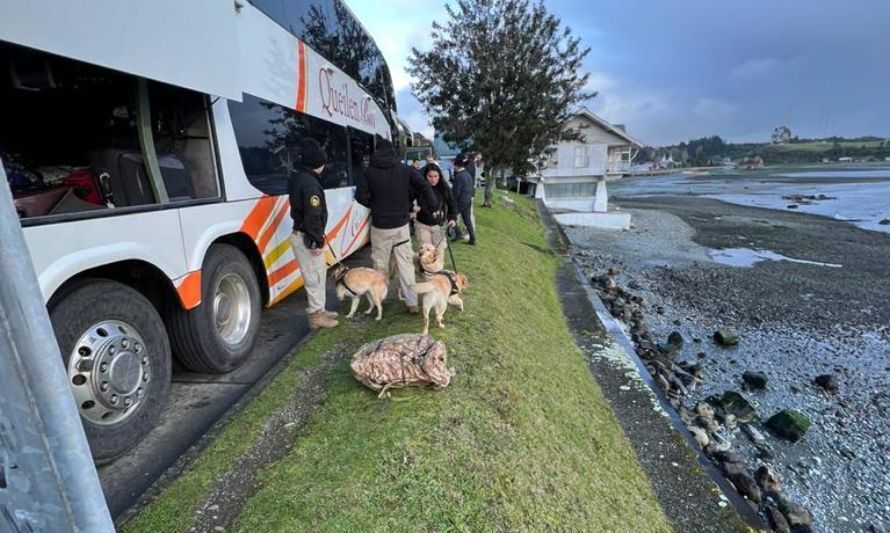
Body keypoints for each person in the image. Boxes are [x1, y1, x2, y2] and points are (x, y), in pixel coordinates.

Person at [356, 138, 438, 313]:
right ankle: (412, 303)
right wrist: (433, 206)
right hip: (401, 225)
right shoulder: (405, 170)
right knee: (406, 263)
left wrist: (375, 204)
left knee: (380, 265)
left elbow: (360, 196)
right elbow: (423, 186)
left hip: (379, 226)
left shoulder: (368, 172)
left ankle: (379, 301)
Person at [288, 138, 338, 329]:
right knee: (314, 276)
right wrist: (316, 241)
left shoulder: (300, 177)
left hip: (303, 234)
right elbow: (313, 215)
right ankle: (316, 316)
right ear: (319, 163)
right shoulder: (310, 184)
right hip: (307, 237)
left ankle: (320, 310)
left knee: (318, 273)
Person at [415, 163, 457, 258]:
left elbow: (452, 204)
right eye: (430, 176)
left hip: (439, 226)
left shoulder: (444, 188)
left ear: (439, 176)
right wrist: (412, 207)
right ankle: (426, 273)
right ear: (425, 176)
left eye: (435, 176)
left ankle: (437, 272)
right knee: (425, 255)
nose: (433, 179)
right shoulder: (419, 188)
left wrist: (452, 218)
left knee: (439, 253)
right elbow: (407, 198)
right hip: (423, 224)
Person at [450, 154, 476, 245]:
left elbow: (456, 193)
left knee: (451, 216)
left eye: (454, 165)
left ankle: (457, 234)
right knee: (467, 220)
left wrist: (452, 203)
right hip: (468, 200)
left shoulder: (458, 177)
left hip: (460, 201)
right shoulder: (467, 175)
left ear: (457, 166)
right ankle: (472, 239)